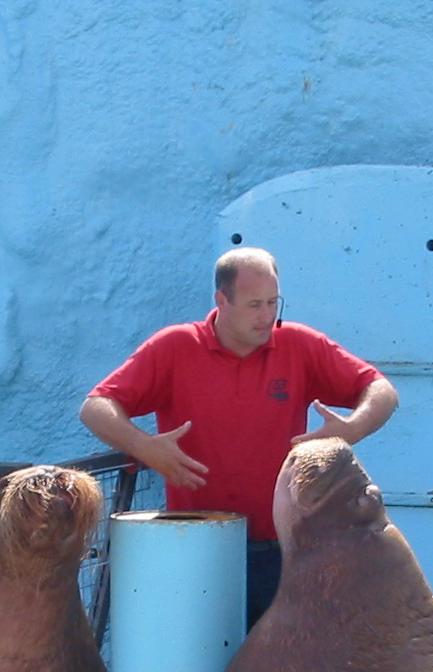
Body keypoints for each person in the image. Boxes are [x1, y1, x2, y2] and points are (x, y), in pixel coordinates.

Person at [79, 246, 399, 624]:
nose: (267, 316)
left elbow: (382, 391)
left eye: (273, 303)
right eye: (254, 305)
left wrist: (350, 430)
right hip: (197, 547)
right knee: (202, 670)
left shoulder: (299, 344)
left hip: (285, 548)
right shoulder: (176, 346)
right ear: (222, 300)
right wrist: (144, 447)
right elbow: (95, 407)